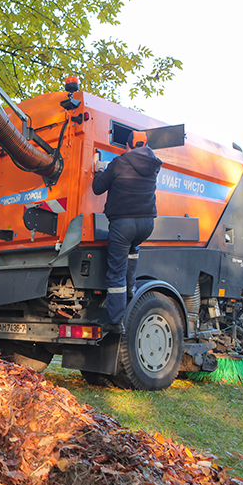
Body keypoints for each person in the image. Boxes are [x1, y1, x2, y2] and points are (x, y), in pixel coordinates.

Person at [92, 130, 161, 334]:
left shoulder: (119, 162)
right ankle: (131, 289)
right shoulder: (154, 164)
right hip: (146, 224)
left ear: (128, 145)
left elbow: (97, 188)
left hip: (123, 223)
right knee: (132, 251)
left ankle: (115, 321)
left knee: (116, 272)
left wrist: (99, 172)